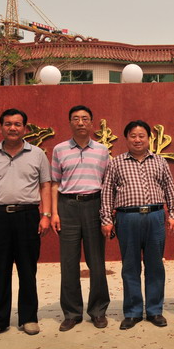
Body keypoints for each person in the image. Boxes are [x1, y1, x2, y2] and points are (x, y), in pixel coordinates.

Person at [0, 108, 52, 340]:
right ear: (1, 127)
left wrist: (46, 215)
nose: (13, 128)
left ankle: (29, 317)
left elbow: (45, 186)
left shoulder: (37, 154)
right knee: (0, 271)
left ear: (25, 128)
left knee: (28, 269)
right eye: (8, 124)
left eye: (17, 124)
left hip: (28, 217)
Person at [100, 120, 174, 330]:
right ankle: (133, 312)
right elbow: (107, 193)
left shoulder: (159, 161)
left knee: (155, 266)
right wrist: (106, 220)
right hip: (127, 218)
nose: (137, 140)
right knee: (130, 266)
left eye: (142, 136)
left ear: (148, 138)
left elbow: (170, 189)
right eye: (133, 136)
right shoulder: (116, 163)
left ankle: (154, 310)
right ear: (126, 139)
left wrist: (173, 214)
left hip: (155, 217)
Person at [51, 105, 110, 332]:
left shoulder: (102, 150)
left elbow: (107, 183)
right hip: (67, 207)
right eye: (76, 119)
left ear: (92, 123)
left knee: (97, 262)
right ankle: (71, 313)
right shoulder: (60, 149)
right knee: (68, 262)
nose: (81, 122)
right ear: (70, 123)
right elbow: (55, 183)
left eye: (85, 118)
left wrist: (106, 213)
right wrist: (54, 213)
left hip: (94, 205)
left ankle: (98, 311)